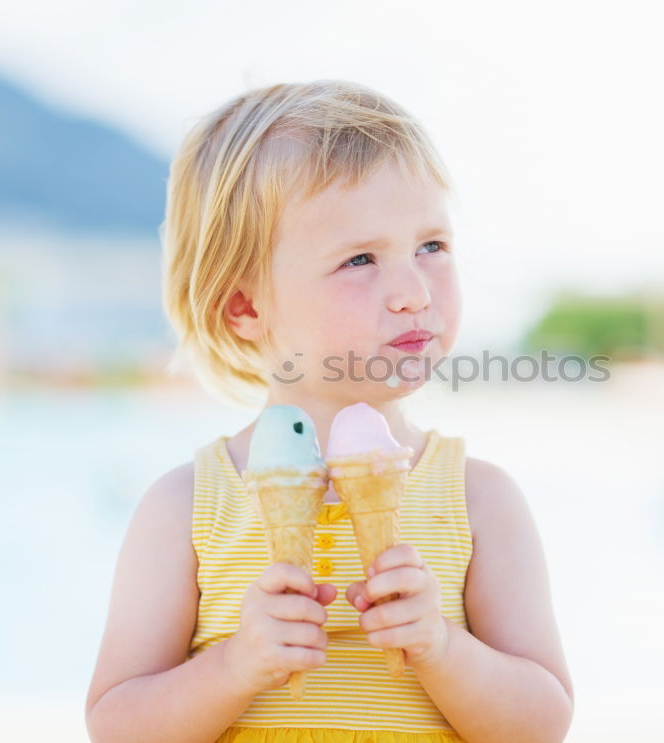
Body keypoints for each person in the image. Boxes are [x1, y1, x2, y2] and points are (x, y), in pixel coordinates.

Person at [85, 79, 573, 743]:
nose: (411, 292)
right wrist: (235, 664)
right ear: (246, 307)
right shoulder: (186, 507)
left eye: (431, 245)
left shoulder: (479, 499)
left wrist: (442, 646)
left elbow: (541, 724)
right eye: (360, 259)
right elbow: (117, 726)